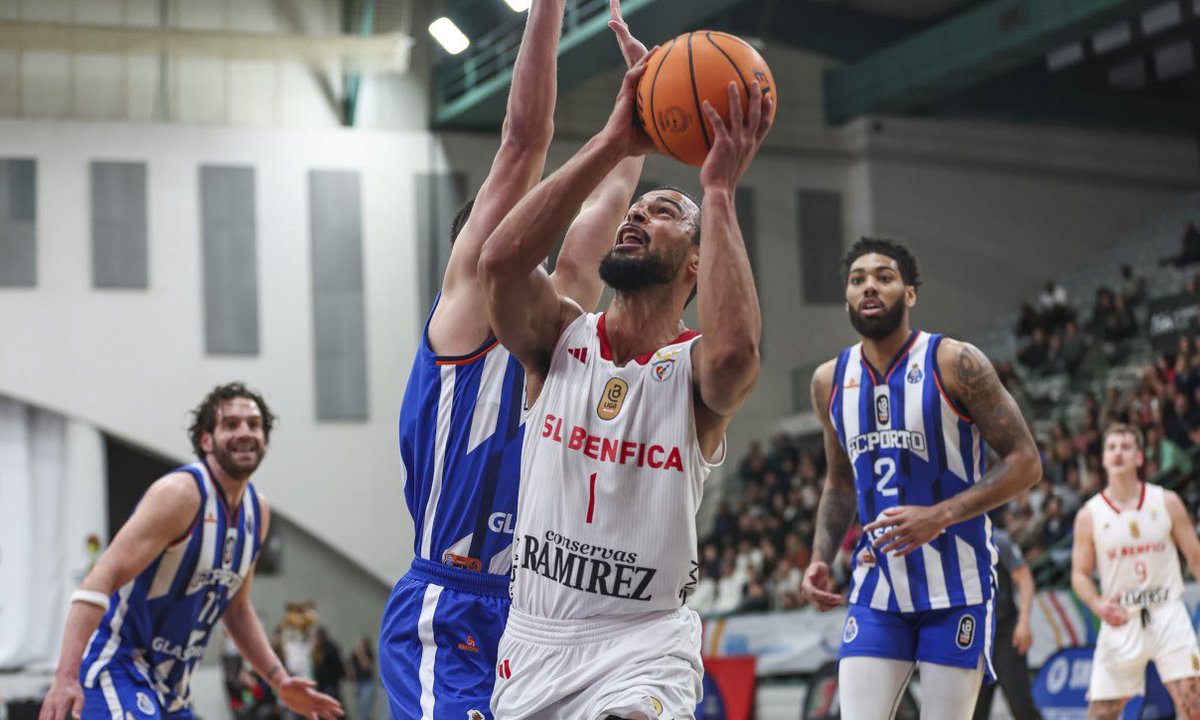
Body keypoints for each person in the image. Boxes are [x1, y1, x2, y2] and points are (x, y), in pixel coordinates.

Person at [477, 30, 773, 716]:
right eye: (637, 208)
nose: (639, 213)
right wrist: (616, 141)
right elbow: (499, 265)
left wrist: (719, 193)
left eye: (665, 212)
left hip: (644, 641)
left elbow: (736, 358)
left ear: (697, 264)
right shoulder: (558, 337)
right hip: (536, 641)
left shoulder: (693, 376)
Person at [377, 1, 646, 717]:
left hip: (533, 615)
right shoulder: (466, 309)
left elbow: (605, 212)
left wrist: (644, 120)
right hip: (449, 603)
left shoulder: (556, 313)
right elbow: (525, 140)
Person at [800, 238, 1041, 720]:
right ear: (847, 297)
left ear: (909, 294)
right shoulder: (829, 380)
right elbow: (839, 483)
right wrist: (820, 557)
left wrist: (941, 515)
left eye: (884, 277)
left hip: (958, 587)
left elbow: (1026, 462)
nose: (870, 286)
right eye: (857, 279)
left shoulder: (956, 362)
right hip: (877, 588)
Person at [38, 382, 342, 720]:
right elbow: (100, 577)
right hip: (119, 664)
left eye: (254, 425)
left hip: (173, 688)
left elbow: (238, 610)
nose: (245, 432)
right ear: (206, 440)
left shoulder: (259, 511)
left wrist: (279, 679)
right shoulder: (181, 494)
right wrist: (65, 676)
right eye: (231, 424)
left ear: (265, 440)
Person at [1069, 423, 1200, 719]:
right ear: (1103, 458)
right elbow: (1079, 574)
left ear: (1139, 457)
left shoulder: (1167, 501)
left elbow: (1195, 557)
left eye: (1126, 447)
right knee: (1101, 713)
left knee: (1194, 705)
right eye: (1111, 447)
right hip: (1120, 616)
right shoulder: (1089, 515)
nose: (1118, 453)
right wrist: (1097, 603)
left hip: (1167, 611)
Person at [972, 525, 1042, 720]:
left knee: (1020, 704)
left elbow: (1025, 578)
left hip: (1005, 631)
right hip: (975, 635)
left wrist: (1024, 621)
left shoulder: (997, 538)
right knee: (973, 712)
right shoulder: (953, 540)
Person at [348, 636, 376, 720]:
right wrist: (353, 682)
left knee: (365, 706)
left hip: (368, 683)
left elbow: (366, 667)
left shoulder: (369, 653)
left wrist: (362, 654)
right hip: (358, 683)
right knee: (359, 708)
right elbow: (350, 668)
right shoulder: (354, 654)